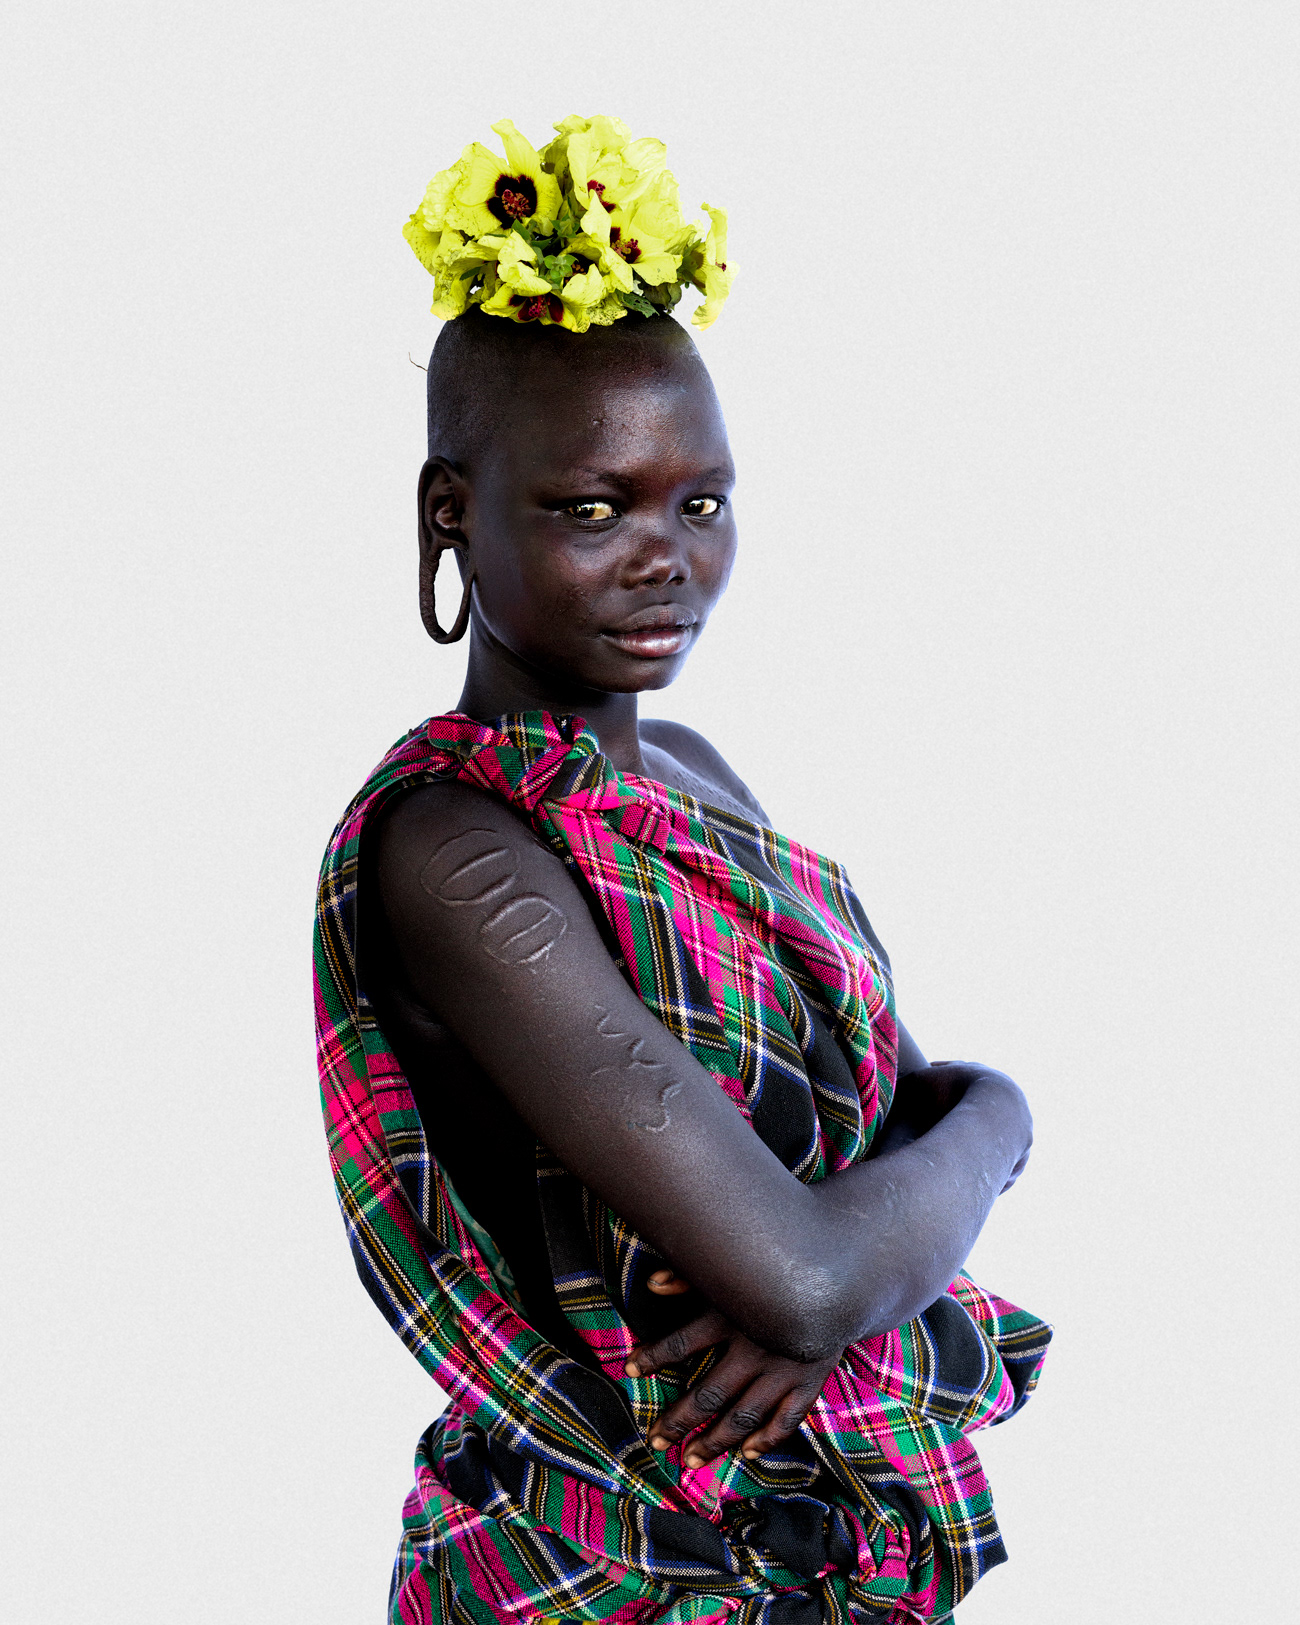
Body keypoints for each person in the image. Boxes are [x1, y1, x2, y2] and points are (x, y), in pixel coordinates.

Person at [314, 115, 1050, 1625]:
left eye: (697, 502)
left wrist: (945, 1159)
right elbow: (806, 1270)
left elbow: (894, 1126)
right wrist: (971, 1154)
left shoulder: (695, 778)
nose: (665, 557)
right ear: (451, 512)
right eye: (593, 509)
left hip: (817, 1548)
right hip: (591, 1558)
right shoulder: (456, 851)